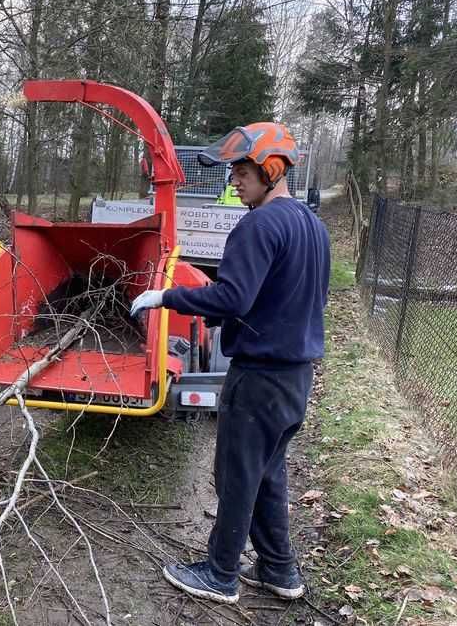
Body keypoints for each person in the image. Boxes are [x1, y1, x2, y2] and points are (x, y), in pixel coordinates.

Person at [130, 122, 330, 605]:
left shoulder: (258, 225)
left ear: (272, 169)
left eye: (241, 171)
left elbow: (232, 298)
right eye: (233, 172)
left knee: (236, 474)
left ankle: (220, 573)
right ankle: (279, 569)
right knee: (267, 471)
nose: (233, 182)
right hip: (296, 375)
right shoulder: (312, 225)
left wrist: (164, 295)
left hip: (260, 376)